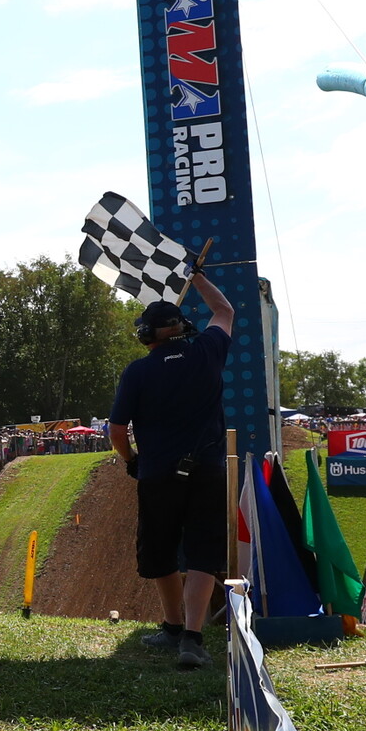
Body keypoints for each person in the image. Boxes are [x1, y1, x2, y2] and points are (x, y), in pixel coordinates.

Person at [107, 268, 238, 670]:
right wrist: (197, 277)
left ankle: (171, 627)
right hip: (208, 470)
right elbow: (224, 310)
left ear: (147, 335)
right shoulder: (208, 350)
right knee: (202, 555)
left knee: (161, 552)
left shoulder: (137, 371)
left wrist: (131, 461)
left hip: (158, 474)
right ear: (183, 327)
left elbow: (116, 430)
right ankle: (193, 639)